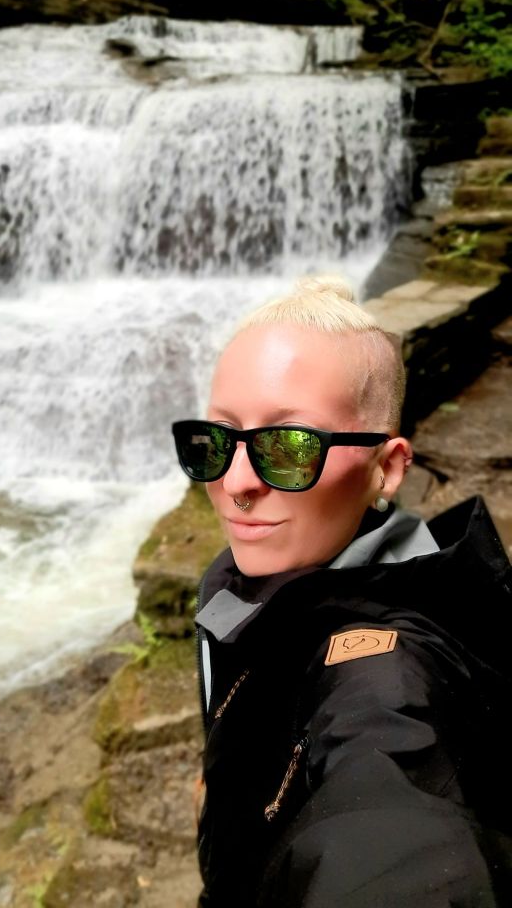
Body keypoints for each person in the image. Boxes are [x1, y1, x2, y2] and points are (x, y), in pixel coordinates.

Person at [171, 275, 512, 908]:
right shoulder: (266, 574)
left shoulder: (390, 681)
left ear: (387, 466)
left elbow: (398, 824)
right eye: (216, 440)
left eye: (290, 447)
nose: (237, 483)